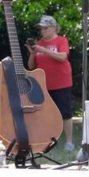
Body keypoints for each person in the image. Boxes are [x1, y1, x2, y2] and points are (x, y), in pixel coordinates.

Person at [25, 15, 74, 152]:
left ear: (53, 28)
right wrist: (33, 54)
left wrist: (44, 50)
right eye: (41, 29)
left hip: (62, 82)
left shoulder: (61, 40)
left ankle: (69, 142)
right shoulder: (39, 43)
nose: (43, 31)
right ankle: (47, 141)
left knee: (65, 112)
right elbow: (31, 66)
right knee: (46, 113)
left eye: (45, 28)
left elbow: (63, 57)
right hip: (44, 83)